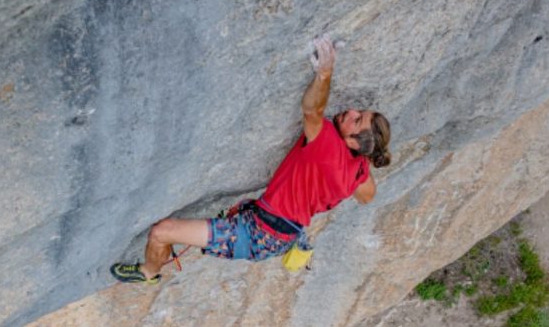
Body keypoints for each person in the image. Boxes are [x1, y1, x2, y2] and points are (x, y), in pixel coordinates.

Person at [110, 35, 391, 284]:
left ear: (354, 142)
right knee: (169, 232)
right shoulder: (359, 170)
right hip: (278, 232)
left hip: (257, 233)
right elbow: (368, 196)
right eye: (360, 112)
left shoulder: (329, 147)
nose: (352, 111)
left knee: (162, 232)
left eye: (357, 120)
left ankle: (149, 272)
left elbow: (311, 111)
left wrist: (325, 74)